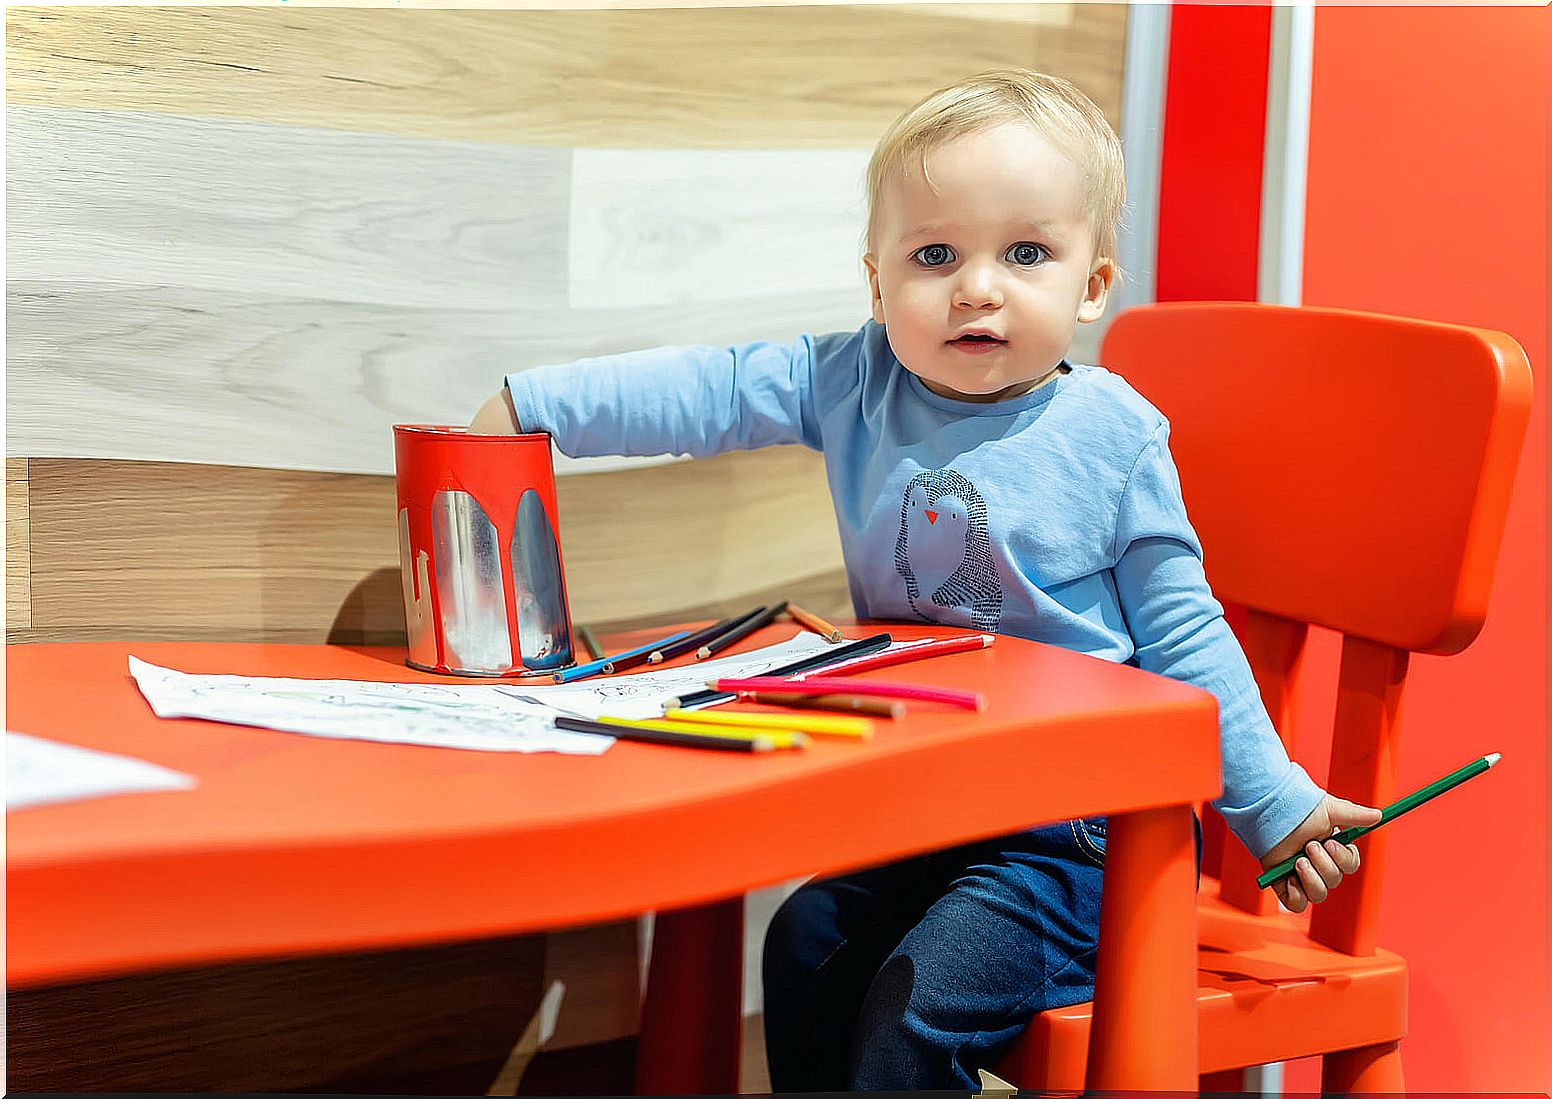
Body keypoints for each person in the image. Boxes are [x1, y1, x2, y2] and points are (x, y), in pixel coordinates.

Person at [470, 69, 1382, 1090]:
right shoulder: (855, 379)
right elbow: (711, 388)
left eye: (1025, 252)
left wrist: (1274, 806)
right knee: (804, 943)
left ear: (1091, 285)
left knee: (912, 1008)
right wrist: (534, 404)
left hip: (1083, 842)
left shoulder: (1113, 435)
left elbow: (1185, 634)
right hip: (925, 808)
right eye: (935, 254)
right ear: (877, 282)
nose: (977, 286)